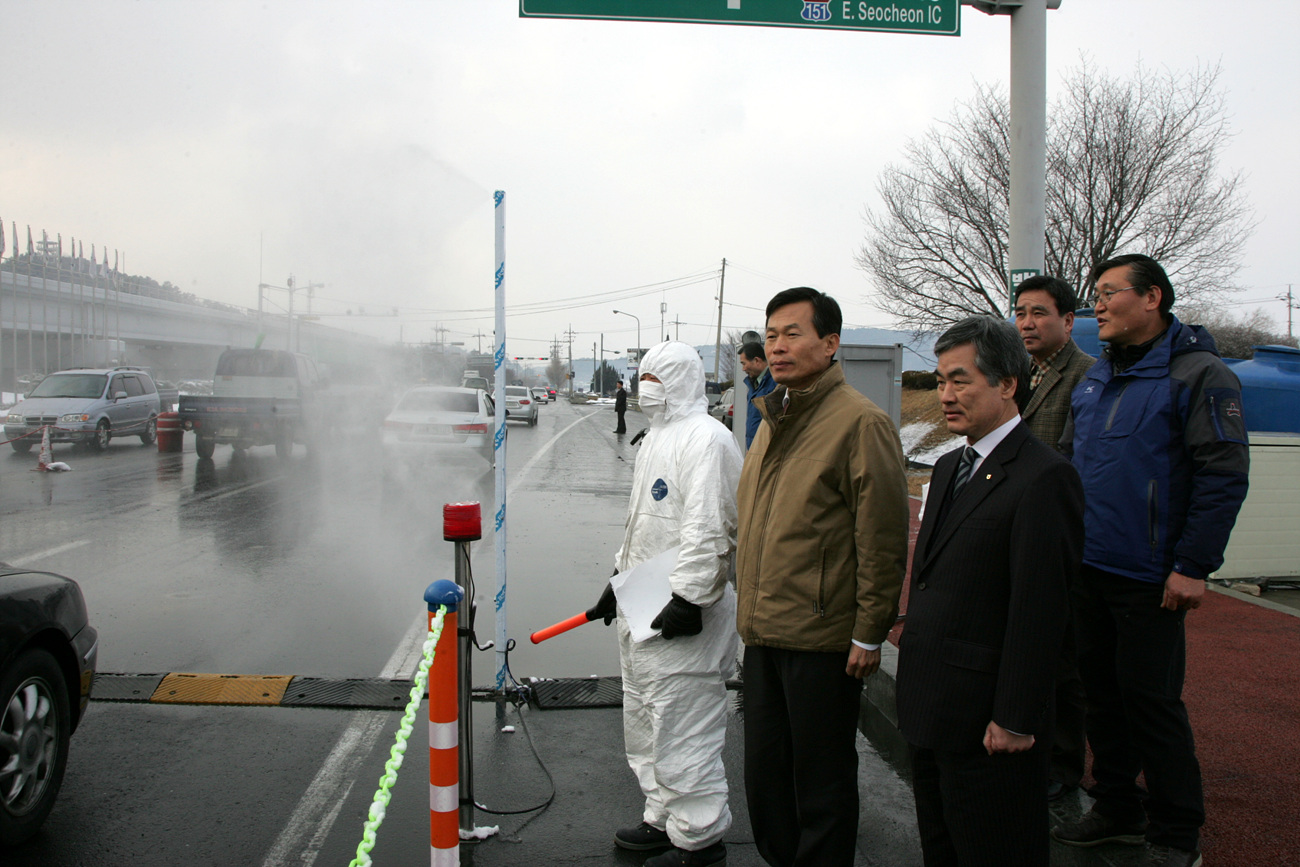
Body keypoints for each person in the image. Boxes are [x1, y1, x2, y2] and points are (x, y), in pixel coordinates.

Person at [1053, 254, 1249, 867]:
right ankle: (1116, 807)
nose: (1099, 305)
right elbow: (1068, 469)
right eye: (1097, 294)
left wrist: (1194, 565)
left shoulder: (1199, 375)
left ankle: (1174, 832)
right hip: (1090, 567)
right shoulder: (1097, 377)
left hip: (1150, 576)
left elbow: (1223, 476)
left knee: (1151, 704)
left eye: (1110, 293)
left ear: (1153, 298)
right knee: (1100, 700)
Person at [897, 316, 1084, 867]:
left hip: (988, 724)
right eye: (939, 382)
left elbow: (1043, 608)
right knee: (942, 847)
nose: (946, 396)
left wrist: (1017, 716)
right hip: (932, 708)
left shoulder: (1044, 477)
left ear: (1007, 383)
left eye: (961, 381)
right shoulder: (953, 462)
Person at [735, 287, 909, 867]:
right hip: (764, 631)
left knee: (821, 780)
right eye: (771, 334)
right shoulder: (772, 418)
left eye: (792, 333)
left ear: (830, 344)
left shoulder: (861, 424)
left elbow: (881, 540)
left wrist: (868, 632)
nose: (777, 346)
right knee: (765, 777)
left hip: (821, 638)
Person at [588, 341, 743, 867]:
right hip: (645, 605)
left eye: (657, 376)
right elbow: (643, 525)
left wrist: (693, 596)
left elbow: (711, 527)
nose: (645, 385)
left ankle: (699, 840)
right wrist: (619, 576)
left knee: (685, 725)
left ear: (681, 381)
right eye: (643, 374)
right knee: (646, 719)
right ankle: (662, 815)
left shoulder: (707, 440)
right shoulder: (657, 437)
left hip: (682, 613)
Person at [1012, 274, 1097, 803]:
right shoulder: (1018, 375)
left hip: (1062, 536)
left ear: (1068, 320)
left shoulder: (1087, 377)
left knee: (1064, 660)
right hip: (1016, 529)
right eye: (1020, 313)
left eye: (1039, 313)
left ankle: (1064, 766)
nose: (1027, 323)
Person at [737, 341, 776, 449]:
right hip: (755, 448)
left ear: (756, 360)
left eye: (744, 363)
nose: (743, 369)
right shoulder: (754, 386)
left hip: (768, 450)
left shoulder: (774, 384)